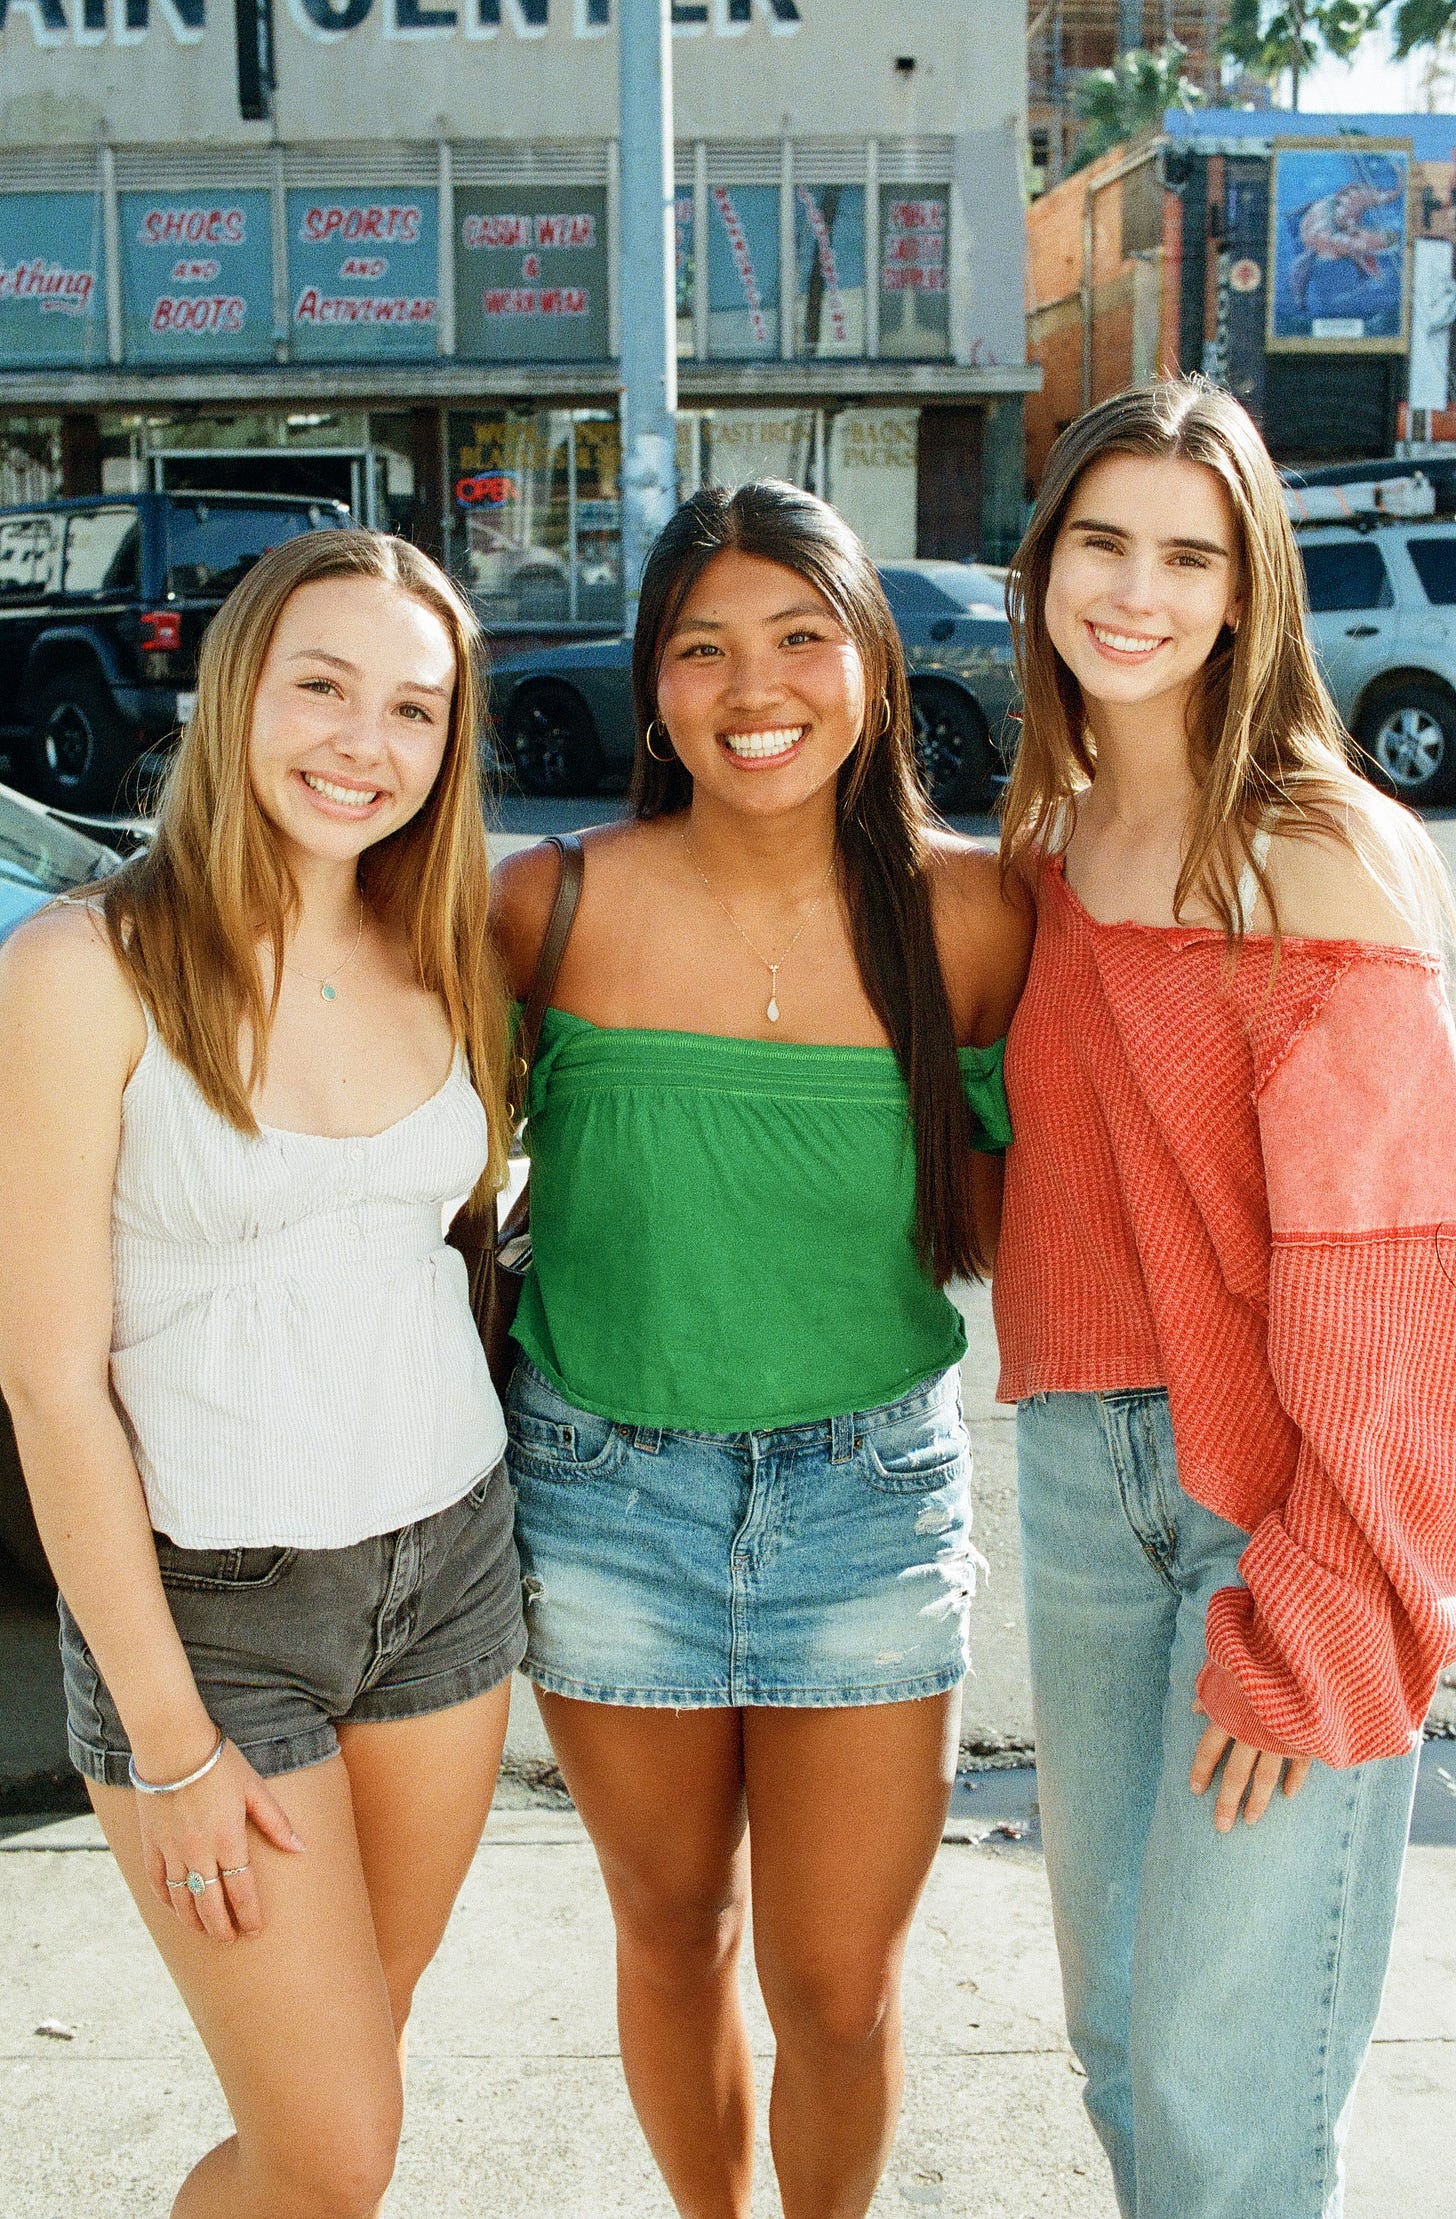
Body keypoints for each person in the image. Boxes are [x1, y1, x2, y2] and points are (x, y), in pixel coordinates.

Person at [490, 480, 1030, 2219]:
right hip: (605, 1498)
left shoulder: (976, 921)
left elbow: (1052, 1201)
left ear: (871, 657)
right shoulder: (545, 907)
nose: (754, 687)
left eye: (801, 635)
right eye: (703, 648)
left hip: (867, 1507)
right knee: (669, 1931)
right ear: (653, 689)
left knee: (841, 1994)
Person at [0, 529, 524, 2219]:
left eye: (415, 709)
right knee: (330, 2150)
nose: (363, 741)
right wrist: (167, 1740)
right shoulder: (87, 970)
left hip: (450, 1578)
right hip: (214, 1627)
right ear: (238, 692)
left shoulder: (445, 950)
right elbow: (46, 1381)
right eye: (321, 685)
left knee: (354, 2084)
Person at [994, 376, 1456, 2219]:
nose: (1136, 589)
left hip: (1273, 1507)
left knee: (1220, 2092)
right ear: (1041, 571)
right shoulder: (1058, 839)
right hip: (1082, 1484)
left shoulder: (1323, 849)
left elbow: (1399, 1279)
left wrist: (1328, 1602)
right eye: (1100, 541)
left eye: (1189, 554)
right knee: (1120, 2039)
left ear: (1249, 592)